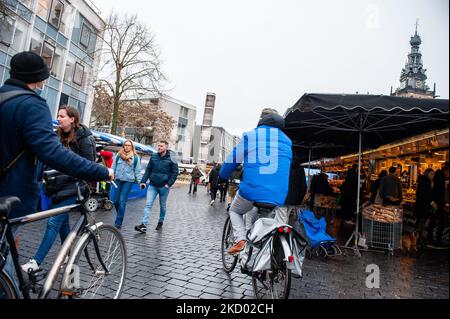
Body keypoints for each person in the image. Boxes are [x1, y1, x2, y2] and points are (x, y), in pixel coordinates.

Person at [0, 51, 112, 286]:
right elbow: (52, 154)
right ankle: (57, 272)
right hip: (15, 191)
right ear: (38, 77)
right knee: (11, 261)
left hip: (69, 189)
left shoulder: (5, 99)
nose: (59, 118)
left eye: (62, 115)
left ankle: (65, 271)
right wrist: (101, 172)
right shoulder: (33, 106)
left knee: (57, 229)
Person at [21, 106, 97, 271]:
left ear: (72, 119)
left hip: (73, 187)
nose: (58, 118)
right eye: (58, 115)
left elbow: (89, 165)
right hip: (56, 186)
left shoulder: (85, 138)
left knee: (53, 222)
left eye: (62, 116)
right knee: (62, 222)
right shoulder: (56, 136)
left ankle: (36, 262)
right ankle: (69, 254)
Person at [219, 108, 292, 254]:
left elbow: (232, 160)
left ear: (261, 120)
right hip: (279, 194)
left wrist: (223, 174)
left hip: (252, 191)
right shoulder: (287, 141)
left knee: (235, 210)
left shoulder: (251, 136)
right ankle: (264, 258)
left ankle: (240, 239)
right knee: (266, 225)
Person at [135, 141, 179, 232]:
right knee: (148, 205)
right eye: (158, 146)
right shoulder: (154, 156)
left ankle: (160, 221)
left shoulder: (172, 157)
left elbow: (175, 173)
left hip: (164, 186)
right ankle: (144, 225)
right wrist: (143, 181)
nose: (159, 147)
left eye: (161, 146)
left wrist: (168, 184)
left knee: (162, 206)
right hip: (153, 185)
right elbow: (148, 170)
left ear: (166, 147)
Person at [111, 140, 142, 229]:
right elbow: (113, 166)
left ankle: (118, 222)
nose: (127, 147)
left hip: (128, 181)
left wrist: (140, 182)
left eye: (129, 145)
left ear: (132, 147)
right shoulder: (118, 155)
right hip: (118, 180)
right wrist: (111, 175)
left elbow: (137, 171)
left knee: (122, 201)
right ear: (123, 146)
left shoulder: (135, 158)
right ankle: (120, 214)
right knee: (116, 201)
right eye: (125, 145)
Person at [275, 149, 307, 224]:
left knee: (280, 218)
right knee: (286, 217)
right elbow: (303, 186)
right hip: (294, 199)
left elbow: (276, 181)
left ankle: (280, 233)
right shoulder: (300, 169)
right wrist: (299, 199)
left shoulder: (282, 165)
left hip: (281, 197)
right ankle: (284, 232)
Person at [428, 162, 448, 248]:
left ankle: (430, 240)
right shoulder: (441, 178)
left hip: (435, 203)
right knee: (441, 223)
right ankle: (438, 242)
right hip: (438, 204)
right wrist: (442, 204)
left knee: (433, 222)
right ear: (446, 170)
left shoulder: (437, 176)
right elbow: (440, 193)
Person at [414, 168, 435, 247]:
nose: (433, 176)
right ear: (427, 174)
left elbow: (418, 194)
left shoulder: (421, 181)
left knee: (418, 224)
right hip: (423, 207)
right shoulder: (427, 182)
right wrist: (432, 202)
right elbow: (427, 195)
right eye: (432, 174)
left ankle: (415, 240)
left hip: (419, 206)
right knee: (421, 225)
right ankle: (419, 241)